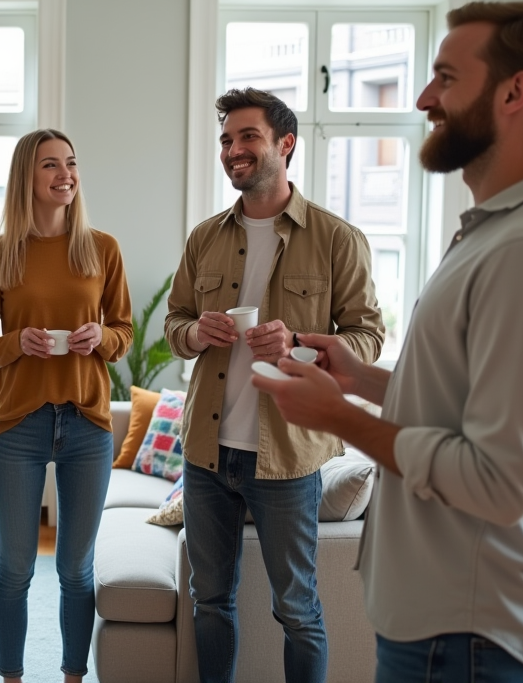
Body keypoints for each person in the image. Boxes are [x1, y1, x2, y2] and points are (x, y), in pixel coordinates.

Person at [250, 1, 523, 682]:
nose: (422, 98)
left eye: (445, 78)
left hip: (466, 631)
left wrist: (338, 416)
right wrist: (362, 379)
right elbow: (476, 403)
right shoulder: (502, 233)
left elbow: (500, 480)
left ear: (515, 92)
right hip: (449, 619)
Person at [164, 88, 385, 683]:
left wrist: (299, 345)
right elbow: (174, 323)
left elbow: (367, 338)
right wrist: (196, 332)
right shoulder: (204, 237)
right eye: (226, 140)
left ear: (285, 144)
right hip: (207, 454)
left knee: (297, 609)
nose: (233, 150)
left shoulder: (337, 238)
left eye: (248, 137)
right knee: (209, 600)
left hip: (287, 457)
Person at [0, 128, 133, 683]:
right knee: (15, 569)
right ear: (26, 176)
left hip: (87, 422)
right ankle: (12, 677)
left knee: (76, 570)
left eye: (71, 163)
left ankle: (71, 677)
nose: (66, 174)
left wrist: (101, 338)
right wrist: (18, 342)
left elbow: (124, 332)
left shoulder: (102, 248)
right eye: (51, 165)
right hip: (19, 423)